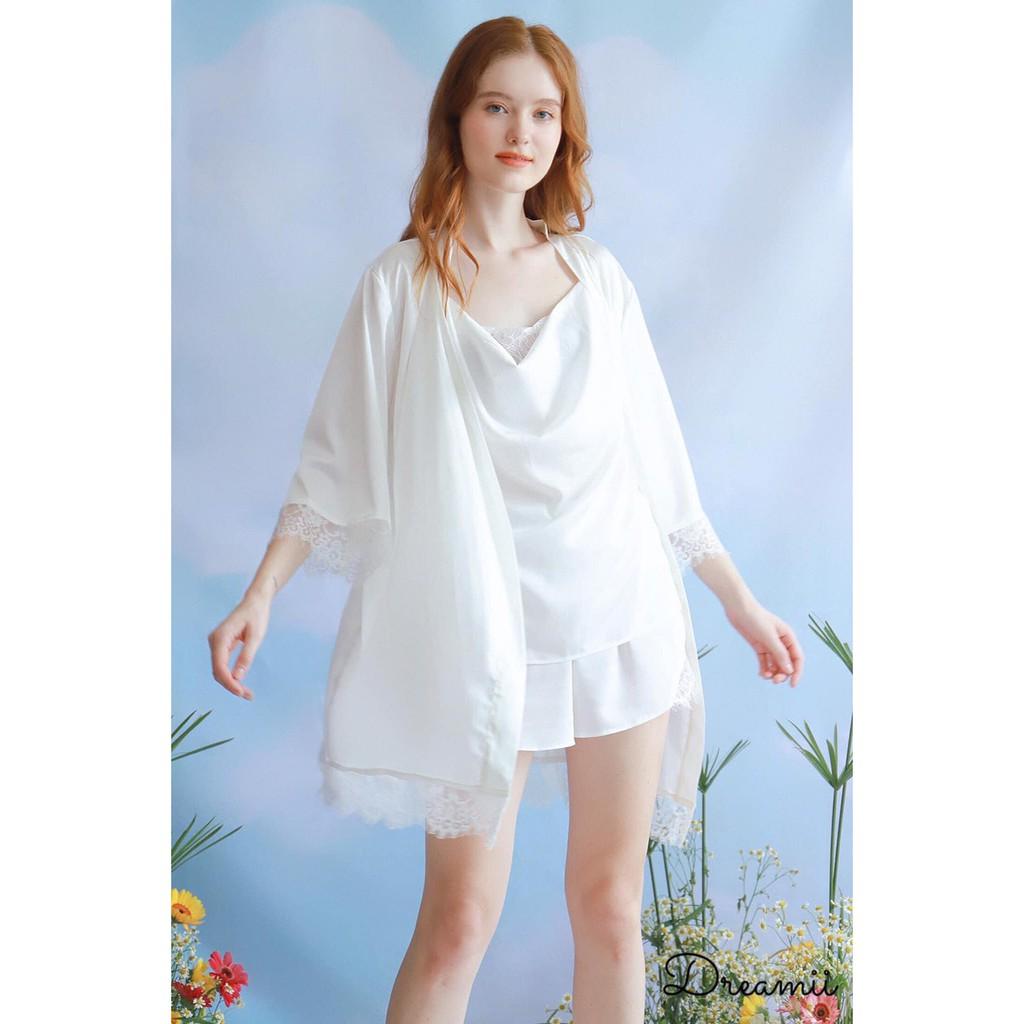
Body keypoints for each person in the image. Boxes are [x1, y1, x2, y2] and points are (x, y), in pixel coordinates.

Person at [208, 17, 804, 1024]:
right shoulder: (402, 286)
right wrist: (261, 592)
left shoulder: (596, 278)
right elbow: (333, 460)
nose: (520, 131)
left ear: (563, 131)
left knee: (610, 910)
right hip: (479, 638)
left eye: (542, 112)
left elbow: (661, 466)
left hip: (616, 619)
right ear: (458, 118)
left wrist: (739, 603)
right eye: (497, 107)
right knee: (457, 923)